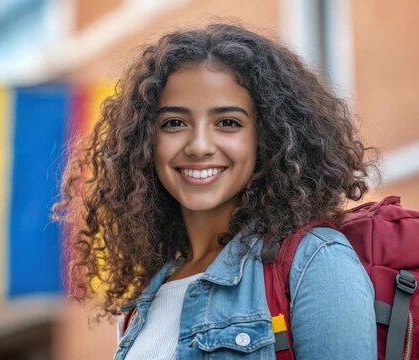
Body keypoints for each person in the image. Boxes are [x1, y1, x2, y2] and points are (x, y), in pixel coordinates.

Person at [54, 22, 377, 359]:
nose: (199, 146)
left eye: (228, 122)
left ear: (267, 138)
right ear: (146, 142)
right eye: (174, 123)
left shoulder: (314, 263)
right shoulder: (141, 304)